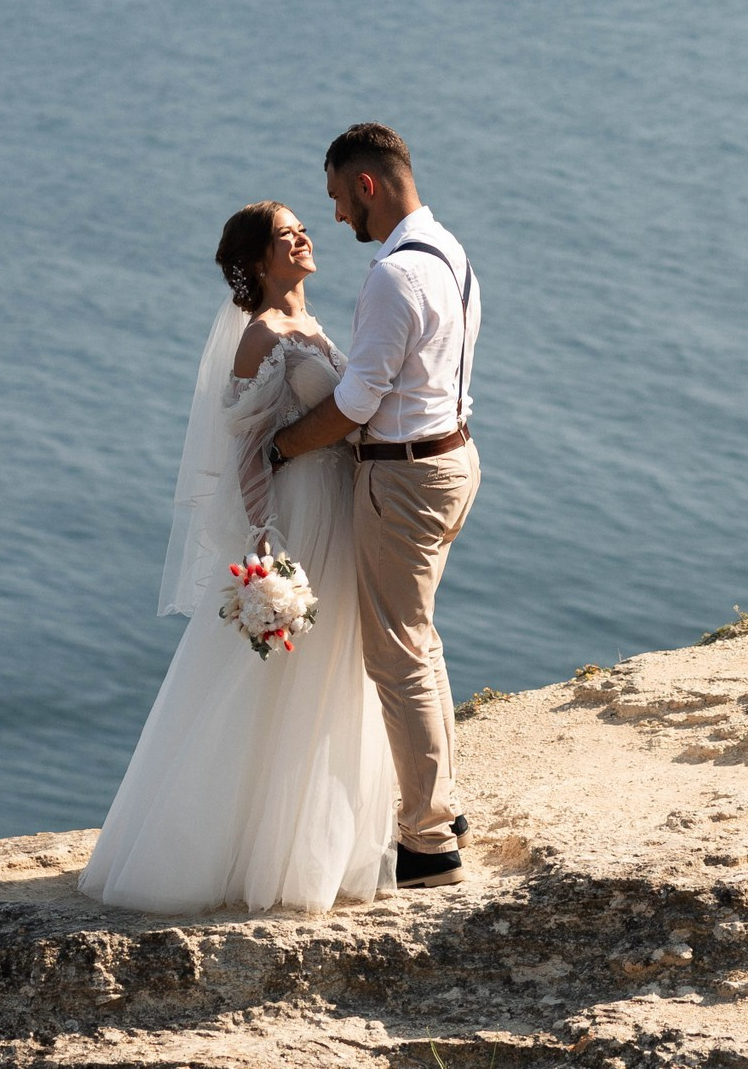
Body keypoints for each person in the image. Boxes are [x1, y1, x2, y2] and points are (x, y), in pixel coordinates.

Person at [77, 202, 397, 913]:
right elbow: (243, 451)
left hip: (340, 505)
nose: (305, 237)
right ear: (259, 260)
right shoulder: (260, 338)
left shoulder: (313, 324)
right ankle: (229, 852)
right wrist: (265, 545)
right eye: (288, 234)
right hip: (300, 512)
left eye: (303, 227)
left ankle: (316, 844)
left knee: (334, 667)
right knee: (275, 676)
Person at [267, 123, 483, 889]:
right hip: (453, 456)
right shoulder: (451, 251)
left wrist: (284, 447)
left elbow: (357, 401)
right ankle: (443, 808)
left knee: (396, 654)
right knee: (420, 642)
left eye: (335, 197)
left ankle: (429, 842)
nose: (334, 219)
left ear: (366, 185)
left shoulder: (392, 275)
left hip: (405, 475)